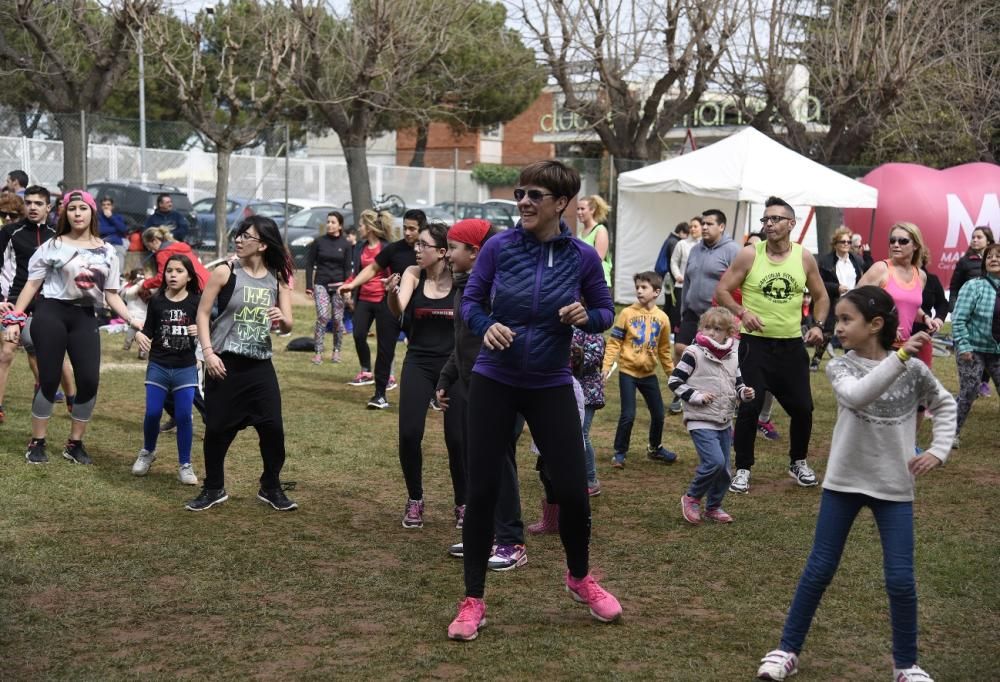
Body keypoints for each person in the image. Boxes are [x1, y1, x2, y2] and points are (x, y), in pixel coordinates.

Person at [448, 160, 619, 641]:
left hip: (548, 382)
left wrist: (587, 315)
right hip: (494, 379)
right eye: (521, 193)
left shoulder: (582, 257)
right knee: (481, 491)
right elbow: (471, 302)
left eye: (534, 195)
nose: (523, 201)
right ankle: (473, 600)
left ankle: (580, 578)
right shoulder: (500, 248)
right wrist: (486, 326)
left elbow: (607, 310)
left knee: (571, 490)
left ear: (561, 203)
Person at [755, 287, 955, 682]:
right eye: (838, 320)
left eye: (847, 320)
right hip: (843, 484)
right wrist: (899, 357)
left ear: (875, 325)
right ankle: (786, 651)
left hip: (894, 486)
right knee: (819, 570)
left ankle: (906, 665)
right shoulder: (841, 367)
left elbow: (945, 404)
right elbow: (859, 396)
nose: (838, 327)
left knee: (900, 579)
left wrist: (939, 449)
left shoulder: (914, 370)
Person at [2, 190, 140, 464]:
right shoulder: (52, 246)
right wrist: (15, 319)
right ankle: (37, 441)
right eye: (72, 208)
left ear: (92, 213)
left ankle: (74, 444)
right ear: (65, 213)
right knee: (49, 379)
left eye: (83, 208)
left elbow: (111, 294)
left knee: (89, 381)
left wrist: (132, 319)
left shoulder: (108, 251)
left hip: (85, 317)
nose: (78, 213)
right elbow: (32, 285)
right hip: (51, 313)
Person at [716, 197, 829, 495]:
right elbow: (723, 290)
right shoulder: (750, 255)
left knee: (803, 409)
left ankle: (798, 462)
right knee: (750, 407)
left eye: (776, 219)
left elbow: (822, 296)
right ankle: (742, 468)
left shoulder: (804, 258)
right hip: (756, 347)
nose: (769, 224)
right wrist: (743, 313)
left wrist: (818, 325)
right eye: (766, 220)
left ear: (792, 224)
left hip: (791, 346)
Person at [185, 216, 296, 512]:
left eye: (246, 236)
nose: (238, 239)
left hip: (260, 365)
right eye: (238, 234)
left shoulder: (278, 278)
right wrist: (208, 354)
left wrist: (281, 319)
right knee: (218, 429)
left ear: (262, 244)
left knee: (273, 429)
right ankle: (214, 488)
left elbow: (288, 326)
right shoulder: (224, 272)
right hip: (225, 363)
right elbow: (203, 314)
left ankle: (270, 485)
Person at [436, 219, 527, 568]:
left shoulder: (494, 289)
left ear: (475, 252)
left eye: (454, 248)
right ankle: (484, 533)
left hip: (501, 386)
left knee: (498, 461)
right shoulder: (466, 286)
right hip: (474, 386)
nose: (448, 255)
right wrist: (447, 378)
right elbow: (462, 343)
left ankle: (511, 542)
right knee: (482, 462)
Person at [384, 221, 463, 529]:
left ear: (442, 252)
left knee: (457, 439)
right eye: (416, 244)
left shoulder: (461, 282)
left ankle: (463, 503)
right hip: (418, 361)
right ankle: (415, 499)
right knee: (409, 434)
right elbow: (397, 308)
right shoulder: (412, 275)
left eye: (423, 245)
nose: (416, 249)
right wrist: (391, 293)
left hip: (453, 366)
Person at [669, 307, 755, 525]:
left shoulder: (732, 356)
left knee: (725, 470)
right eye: (707, 327)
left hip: (724, 420)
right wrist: (695, 395)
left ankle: (713, 507)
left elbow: (737, 383)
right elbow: (675, 382)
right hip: (700, 418)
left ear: (728, 333)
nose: (711, 332)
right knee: (714, 462)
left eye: (717, 329)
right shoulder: (693, 352)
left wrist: (744, 393)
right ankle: (692, 498)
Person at [0, 186, 76, 423]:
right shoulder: (10, 232)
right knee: (6, 352)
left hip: (49, 303)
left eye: (38, 203)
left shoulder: (59, 235)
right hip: (15, 303)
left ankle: (72, 399)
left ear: (49, 207)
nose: (33, 207)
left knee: (53, 355)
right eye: (29, 202)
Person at [340, 209, 424, 407]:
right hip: (391, 307)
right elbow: (372, 268)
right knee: (385, 350)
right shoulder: (394, 249)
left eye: (412, 229)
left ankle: (430, 394)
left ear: (422, 228)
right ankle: (379, 394)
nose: (408, 232)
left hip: (419, 310)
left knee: (422, 351)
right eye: (405, 228)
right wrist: (353, 285)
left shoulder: (429, 251)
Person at [131, 254, 202, 485]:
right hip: (159, 366)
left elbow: (209, 330)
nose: (173, 274)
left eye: (179, 271)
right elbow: (148, 330)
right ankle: (147, 452)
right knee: (152, 413)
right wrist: (140, 335)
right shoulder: (157, 300)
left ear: (189, 276)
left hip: (185, 368)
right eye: (170, 270)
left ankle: (185, 464)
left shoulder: (196, 302)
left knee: (183, 416)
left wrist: (199, 331)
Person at [602, 270, 677, 468]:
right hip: (628, 372)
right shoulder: (626, 314)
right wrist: (606, 366)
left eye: (644, 287)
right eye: (637, 287)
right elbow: (614, 343)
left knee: (659, 414)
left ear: (657, 292)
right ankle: (619, 452)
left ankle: (655, 448)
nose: (639, 291)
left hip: (649, 374)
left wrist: (673, 376)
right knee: (628, 414)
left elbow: (664, 351)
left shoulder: (663, 318)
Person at [674, 210, 740, 414]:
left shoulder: (733, 250)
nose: (703, 227)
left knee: (717, 358)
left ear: (721, 227)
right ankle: (683, 391)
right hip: (693, 312)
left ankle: (728, 394)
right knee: (680, 349)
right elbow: (688, 280)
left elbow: (740, 285)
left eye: (709, 224)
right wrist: (684, 307)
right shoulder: (695, 250)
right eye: (703, 223)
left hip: (718, 316)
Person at [950, 242, 1000, 450]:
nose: (994, 259)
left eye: (998, 256)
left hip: (997, 351)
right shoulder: (973, 286)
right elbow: (958, 319)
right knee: (969, 390)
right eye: (989, 256)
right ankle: (950, 434)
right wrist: (964, 346)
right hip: (973, 349)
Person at [339, 210, 392, 391]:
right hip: (364, 298)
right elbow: (356, 273)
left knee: (385, 340)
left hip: (383, 299)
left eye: (361, 225)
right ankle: (366, 371)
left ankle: (388, 375)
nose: (359, 228)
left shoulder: (386, 247)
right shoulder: (360, 248)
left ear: (369, 227)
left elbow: (392, 272)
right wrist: (348, 285)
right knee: (358, 334)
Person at [949, 225, 996, 398]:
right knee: (971, 349)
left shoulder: (996, 259)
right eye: (973, 237)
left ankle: (983, 382)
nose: (975, 240)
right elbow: (954, 287)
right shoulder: (965, 261)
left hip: (990, 316)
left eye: (979, 237)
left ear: (989, 241)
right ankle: (969, 386)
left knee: (988, 348)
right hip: (968, 313)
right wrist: (953, 308)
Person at [813, 226, 863, 370]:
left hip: (852, 301)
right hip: (833, 299)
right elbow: (820, 283)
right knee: (827, 331)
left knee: (852, 330)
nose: (846, 244)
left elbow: (862, 277)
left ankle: (850, 360)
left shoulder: (856, 261)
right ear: (835, 244)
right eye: (842, 242)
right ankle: (816, 359)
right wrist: (836, 288)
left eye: (848, 242)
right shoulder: (826, 261)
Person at [304, 211, 351, 364]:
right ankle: (318, 352)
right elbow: (310, 264)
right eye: (328, 221)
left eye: (333, 222)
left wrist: (347, 287)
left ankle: (336, 351)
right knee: (323, 316)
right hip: (321, 284)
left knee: (338, 319)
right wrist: (309, 286)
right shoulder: (319, 242)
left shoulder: (346, 244)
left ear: (340, 225)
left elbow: (347, 269)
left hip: (339, 286)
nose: (329, 225)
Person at [574, 326, 606, 496]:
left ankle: (591, 480)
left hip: (588, 392)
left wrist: (569, 357)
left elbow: (594, 357)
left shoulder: (592, 329)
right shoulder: (564, 325)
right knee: (570, 434)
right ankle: (573, 476)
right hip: (567, 387)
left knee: (581, 434)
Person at [140, 227, 210, 293]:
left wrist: (144, 285)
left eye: (148, 246)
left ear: (154, 241)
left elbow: (162, 278)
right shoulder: (179, 247)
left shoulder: (164, 253)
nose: (149, 249)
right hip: (208, 283)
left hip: (197, 288)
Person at [654, 221, 690, 330]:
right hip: (670, 277)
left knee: (669, 301)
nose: (687, 237)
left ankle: (665, 325)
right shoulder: (675, 242)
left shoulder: (670, 239)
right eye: (686, 234)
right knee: (672, 302)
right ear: (681, 232)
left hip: (666, 275)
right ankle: (669, 325)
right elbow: (674, 261)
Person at [576, 194, 612, 287]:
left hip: (599, 283)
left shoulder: (600, 230)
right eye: (578, 209)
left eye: (582, 209)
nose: (579, 212)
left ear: (592, 210)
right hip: (584, 282)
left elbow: (598, 259)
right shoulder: (580, 233)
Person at [98, 196, 128, 272]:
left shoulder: (118, 217)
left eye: (108, 204)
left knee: (119, 255)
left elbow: (123, 230)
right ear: (101, 206)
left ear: (112, 206)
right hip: (103, 243)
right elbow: (99, 230)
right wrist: (115, 229)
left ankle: (119, 276)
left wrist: (111, 217)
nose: (106, 206)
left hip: (116, 243)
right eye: (104, 205)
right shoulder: (97, 217)